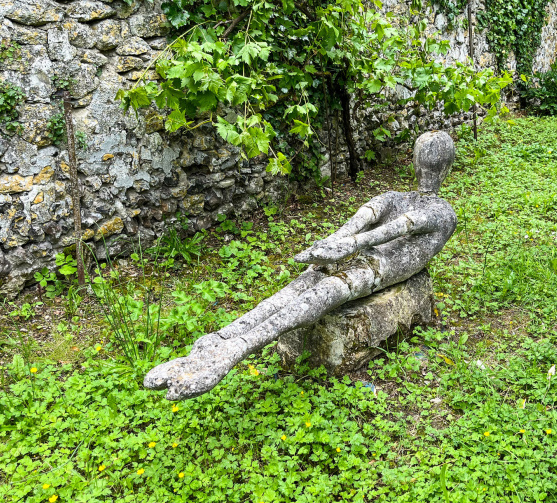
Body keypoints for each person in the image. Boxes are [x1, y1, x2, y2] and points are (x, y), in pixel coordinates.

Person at [145, 130, 457, 400]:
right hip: (369, 263)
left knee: (318, 291)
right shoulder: (429, 208)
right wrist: (334, 244)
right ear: (448, 167)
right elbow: (364, 221)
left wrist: (345, 244)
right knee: (304, 287)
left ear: (413, 161)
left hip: (374, 266)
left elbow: (401, 226)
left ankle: (233, 349)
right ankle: (221, 341)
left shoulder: (433, 211)